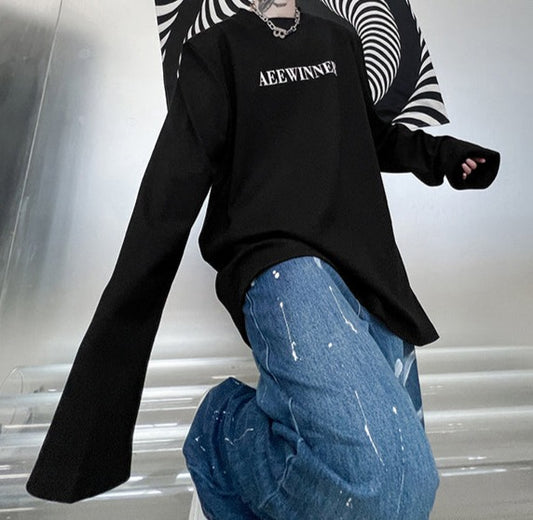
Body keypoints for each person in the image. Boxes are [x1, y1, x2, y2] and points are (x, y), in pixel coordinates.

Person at [25, 0, 500, 518]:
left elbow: (368, 133)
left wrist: (444, 156)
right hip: (282, 265)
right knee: (376, 484)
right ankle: (219, 429)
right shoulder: (215, 50)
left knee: (412, 494)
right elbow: (168, 195)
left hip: (367, 265)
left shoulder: (339, 38)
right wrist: (90, 422)